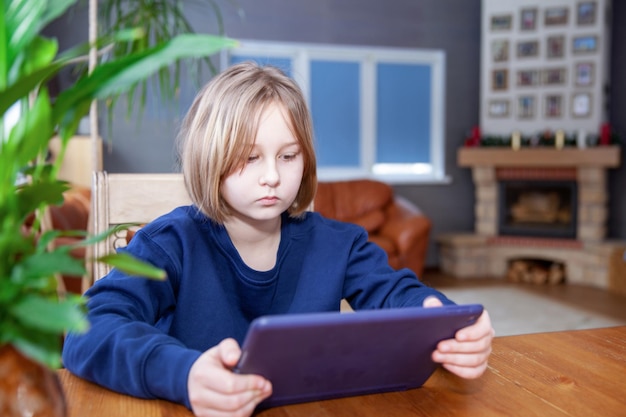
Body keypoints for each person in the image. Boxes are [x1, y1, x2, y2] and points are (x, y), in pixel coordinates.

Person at [62, 62, 494, 417]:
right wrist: (184, 373)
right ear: (209, 158)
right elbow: (86, 329)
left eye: (288, 156)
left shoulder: (338, 244)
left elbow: (398, 294)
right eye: (249, 158)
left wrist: (450, 324)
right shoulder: (170, 244)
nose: (272, 176)